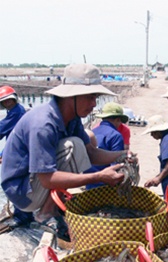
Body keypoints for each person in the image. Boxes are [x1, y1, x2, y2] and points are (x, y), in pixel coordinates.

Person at [0, 63, 133, 241]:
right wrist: (98, 177)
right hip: (22, 192)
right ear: (71, 96)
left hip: (35, 183)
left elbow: (91, 153)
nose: (94, 104)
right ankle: (45, 213)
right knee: (73, 146)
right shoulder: (44, 124)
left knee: (79, 145)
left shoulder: (72, 118)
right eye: (90, 97)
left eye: (95, 97)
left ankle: (52, 206)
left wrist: (122, 156)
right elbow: (47, 179)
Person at [0, 86, 35, 227]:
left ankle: (23, 217)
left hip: (20, 154)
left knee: (15, 183)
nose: (8, 103)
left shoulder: (16, 113)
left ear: (15, 100)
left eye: (10, 101)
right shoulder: (17, 111)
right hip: (19, 151)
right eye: (5, 102)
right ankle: (25, 214)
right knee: (21, 183)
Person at [84, 102, 127, 189]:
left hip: (89, 180)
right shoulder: (115, 135)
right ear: (117, 119)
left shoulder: (93, 131)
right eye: (120, 121)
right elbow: (116, 163)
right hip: (106, 184)